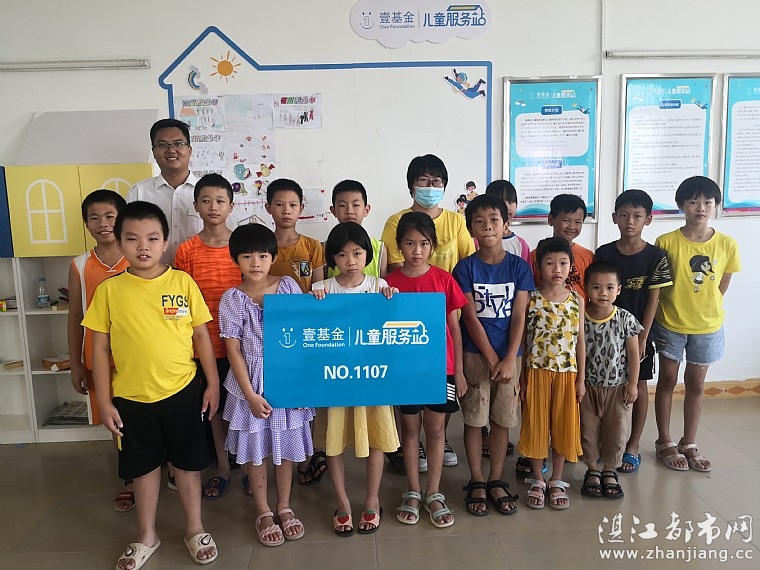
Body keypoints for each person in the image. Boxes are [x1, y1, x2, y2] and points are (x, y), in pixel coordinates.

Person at [83, 201, 220, 568]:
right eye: (132, 239)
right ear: (120, 243)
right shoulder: (109, 291)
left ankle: (195, 528)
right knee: (143, 469)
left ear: (165, 242)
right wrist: (105, 401)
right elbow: (99, 349)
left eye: (152, 238)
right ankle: (147, 535)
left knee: (188, 466)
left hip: (183, 391)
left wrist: (212, 384)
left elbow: (202, 337)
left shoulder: (182, 282)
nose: (143, 246)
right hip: (131, 398)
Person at [220, 223, 316, 547]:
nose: (256, 262)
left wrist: (300, 384)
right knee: (257, 449)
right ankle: (263, 511)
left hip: (287, 379)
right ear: (236, 259)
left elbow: (303, 332)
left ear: (273, 257)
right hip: (251, 383)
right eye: (247, 256)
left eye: (262, 255)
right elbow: (233, 349)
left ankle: (284, 506)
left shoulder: (287, 285)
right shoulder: (232, 298)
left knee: (285, 445)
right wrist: (249, 394)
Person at [381, 154, 474, 469]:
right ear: (411, 186)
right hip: (406, 332)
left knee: (437, 412)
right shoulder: (395, 222)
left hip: (444, 331)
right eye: (424, 181)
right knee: (410, 418)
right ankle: (413, 451)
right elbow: (395, 270)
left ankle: (439, 440)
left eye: (436, 182)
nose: (430, 187)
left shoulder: (457, 222)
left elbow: (467, 263)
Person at [311, 222, 400, 536]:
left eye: (358, 253)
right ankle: (343, 502)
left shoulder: (379, 286)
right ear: (333, 258)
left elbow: (392, 322)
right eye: (342, 254)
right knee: (333, 442)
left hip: (372, 379)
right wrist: (314, 298)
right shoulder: (323, 289)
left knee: (375, 438)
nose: (350, 260)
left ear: (368, 255)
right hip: (335, 381)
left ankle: (373, 499)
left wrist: (392, 297)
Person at [453, 195, 534, 517]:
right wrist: (490, 357)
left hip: (510, 357)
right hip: (476, 355)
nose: (487, 226)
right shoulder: (465, 268)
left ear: (506, 224)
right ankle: (476, 479)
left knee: (502, 420)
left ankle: (496, 478)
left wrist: (510, 357)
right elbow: (469, 316)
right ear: (471, 228)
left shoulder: (519, 267)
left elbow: (520, 315)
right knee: (474, 420)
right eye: (479, 221)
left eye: (494, 220)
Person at [653, 176, 740, 472]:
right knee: (667, 380)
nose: (701, 207)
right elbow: (661, 285)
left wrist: (704, 307)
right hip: (671, 322)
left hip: (707, 326)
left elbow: (722, 284)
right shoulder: (666, 242)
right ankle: (664, 441)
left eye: (707, 202)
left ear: (715, 205)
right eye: (693, 201)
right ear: (681, 205)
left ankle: (689, 442)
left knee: (697, 384)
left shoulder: (727, 244)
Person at [386, 212, 467, 528]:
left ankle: (434, 492)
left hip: (440, 369)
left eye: (423, 243)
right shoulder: (390, 284)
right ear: (399, 246)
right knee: (409, 431)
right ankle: (413, 490)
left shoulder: (444, 280)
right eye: (409, 243)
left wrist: (458, 372)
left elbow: (455, 329)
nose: (416, 250)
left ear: (433, 245)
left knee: (435, 431)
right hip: (405, 372)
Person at [595, 190, 673, 474]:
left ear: (648, 219)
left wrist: (642, 338)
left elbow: (654, 299)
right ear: (614, 217)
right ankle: (605, 446)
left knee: (638, 386)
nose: (630, 221)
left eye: (637, 216)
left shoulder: (656, 256)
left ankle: (633, 445)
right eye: (624, 215)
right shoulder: (604, 253)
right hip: (604, 335)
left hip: (640, 334)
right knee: (603, 387)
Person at [174, 173, 242, 499]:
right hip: (203, 344)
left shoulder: (243, 246)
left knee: (243, 405)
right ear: (196, 205)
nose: (213, 207)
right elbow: (181, 301)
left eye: (220, 201)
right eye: (206, 201)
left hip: (242, 344)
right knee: (213, 407)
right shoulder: (186, 250)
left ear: (231, 206)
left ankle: (249, 467)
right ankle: (223, 468)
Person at [67, 189, 131, 512]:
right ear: (86, 224)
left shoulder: (138, 256)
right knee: (114, 419)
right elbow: (75, 317)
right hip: (98, 356)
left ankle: (167, 467)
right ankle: (129, 479)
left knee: (147, 413)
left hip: (136, 356)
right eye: (94, 218)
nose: (103, 223)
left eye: (109, 216)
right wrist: (76, 363)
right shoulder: (80, 265)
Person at [263, 178, 327, 485]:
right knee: (274, 397)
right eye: (279, 204)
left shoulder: (312, 247)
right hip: (267, 335)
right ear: (268, 208)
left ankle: (305, 456)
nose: (286, 210)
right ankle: (273, 455)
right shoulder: (262, 247)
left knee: (305, 398)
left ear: (301, 208)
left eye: (292, 205)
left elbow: (319, 290)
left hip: (305, 335)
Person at [518, 236, 585, 510]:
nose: (557, 269)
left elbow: (580, 342)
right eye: (549, 263)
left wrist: (581, 379)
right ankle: (538, 478)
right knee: (536, 425)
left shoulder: (577, 300)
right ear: (538, 266)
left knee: (562, 426)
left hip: (567, 373)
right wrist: (522, 376)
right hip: (536, 371)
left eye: (563, 263)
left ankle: (557, 479)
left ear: (571, 266)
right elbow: (523, 340)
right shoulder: (531, 298)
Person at [580, 262, 642, 500]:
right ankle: (592, 470)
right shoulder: (580, 319)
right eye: (596, 287)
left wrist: (633, 384)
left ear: (619, 290)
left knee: (616, 430)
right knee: (588, 430)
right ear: (586, 288)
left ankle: (609, 470)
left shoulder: (625, 318)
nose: (603, 293)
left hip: (617, 388)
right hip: (587, 387)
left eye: (609, 287)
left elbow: (634, 354)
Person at [127, 118, 202, 265]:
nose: (171, 150)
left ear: (189, 150)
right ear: (154, 152)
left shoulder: (209, 194)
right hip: (151, 275)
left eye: (178, 143)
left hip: (199, 273)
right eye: (162, 145)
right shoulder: (139, 193)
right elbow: (127, 236)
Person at [529, 193, 594, 301]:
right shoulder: (535, 255)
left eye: (578, 222)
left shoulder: (588, 256)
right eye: (566, 221)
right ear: (551, 219)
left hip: (579, 310)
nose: (572, 227)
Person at [328, 179, 387, 278]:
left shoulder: (379, 248)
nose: (349, 211)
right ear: (333, 211)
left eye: (355, 205)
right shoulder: (325, 248)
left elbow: (383, 284)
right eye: (342, 205)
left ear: (366, 210)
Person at [484, 179, 530, 263]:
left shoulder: (521, 244)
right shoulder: (478, 240)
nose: (507, 207)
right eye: (501, 201)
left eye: (510, 202)